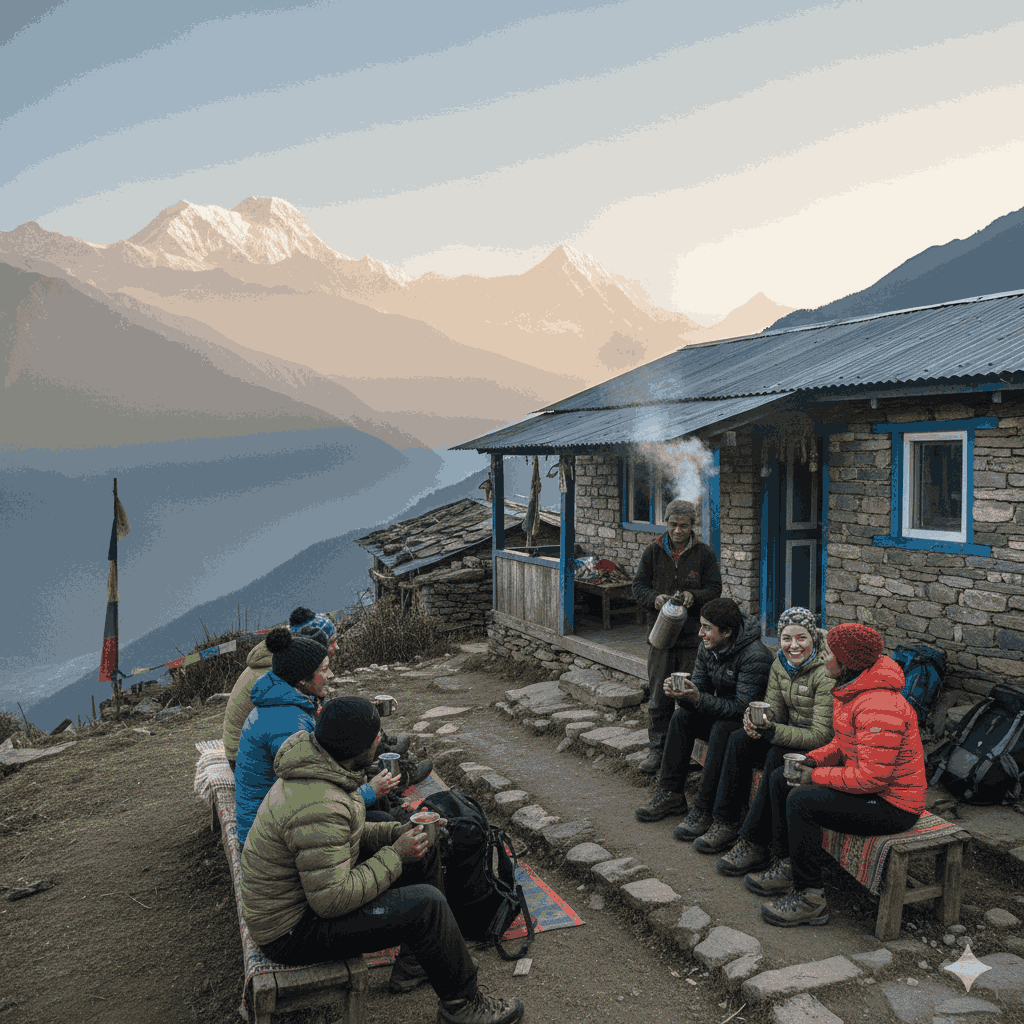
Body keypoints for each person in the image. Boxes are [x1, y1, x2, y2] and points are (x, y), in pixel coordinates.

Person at [240, 696, 525, 1024]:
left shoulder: (324, 768)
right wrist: (396, 853)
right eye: (375, 736)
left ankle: (417, 965)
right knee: (426, 906)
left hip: (306, 899)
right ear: (357, 748)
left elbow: (344, 833)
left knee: (423, 848)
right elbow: (331, 900)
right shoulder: (319, 804)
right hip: (291, 932)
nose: (380, 740)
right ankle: (462, 1006)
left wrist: (398, 833)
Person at [746, 623, 926, 928]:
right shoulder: (853, 690)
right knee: (781, 778)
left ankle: (810, 898)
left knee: (802, 800)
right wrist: (810, 760)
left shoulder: (879, 705)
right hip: (870, 791)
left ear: (846, 664)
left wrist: (814, 776)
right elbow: (842, 745)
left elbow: (872, 778)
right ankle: (787, 866)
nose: (823, 657)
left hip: (893, 806)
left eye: (828, 653)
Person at [709, 607, 834, 873]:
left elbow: (822, 734)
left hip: (820, 748)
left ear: (812, 638)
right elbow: (774, 709)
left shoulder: (825, 671)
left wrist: (773, 732)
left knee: (777, 755)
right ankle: (724, 822)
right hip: (789, 734)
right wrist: (758, 721)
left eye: (801, 638)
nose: (793, 645)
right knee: (740, 739)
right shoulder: (780, 663)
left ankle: (755, 842)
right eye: (787, 638)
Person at [635, 598, 772, 833]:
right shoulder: (708, 647)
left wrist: (698, 698)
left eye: (707, 628)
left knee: (722, 729)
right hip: (722, 712)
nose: (700, 633)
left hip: (745, 725)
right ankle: (670, 793)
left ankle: (704, 809)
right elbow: (700, 689)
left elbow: (742, 708)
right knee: (682, 717)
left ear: (727, 632)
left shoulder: (755, 655)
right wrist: (683, 695)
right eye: (701, 626)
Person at [632, 498, 723, 775]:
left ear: (692, 525)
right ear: (667, 523)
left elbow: (715, 589)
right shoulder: (653, 551)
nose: (678, 530)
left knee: (690, 696)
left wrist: (693, 596)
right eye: (673, 524)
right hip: (660, 637)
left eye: (684, 525)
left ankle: (689, 752)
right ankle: (657, 751)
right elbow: (638, 586)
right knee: (659, 697)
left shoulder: (704, 554)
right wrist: (654, 598)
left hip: (692, 639)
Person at [234, 627, 332, 846]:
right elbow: (307, 790)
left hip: (265, 822)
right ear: (302, 679)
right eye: (324, 670)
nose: (330, 675)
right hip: (266, 840)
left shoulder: (280, 703)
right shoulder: (287, 722)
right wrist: (368, 792)